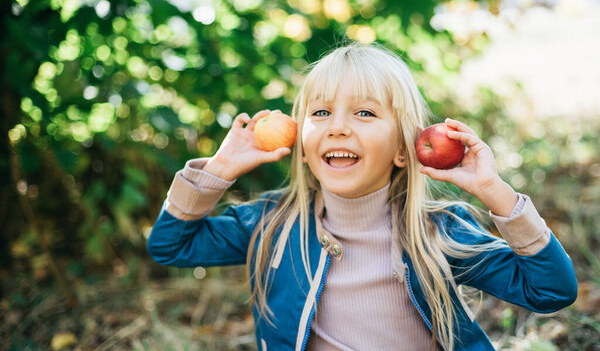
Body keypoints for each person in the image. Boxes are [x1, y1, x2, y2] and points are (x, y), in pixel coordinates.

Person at [147, 43, 577, 351]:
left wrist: (493, 192)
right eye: (320, 113)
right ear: (302, 139)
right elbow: (170, 245)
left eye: (365, 113)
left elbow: (551, 290)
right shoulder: (273, 225)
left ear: (404, 151)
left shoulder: (436, 234)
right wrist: (219, 170)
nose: (337, 127)